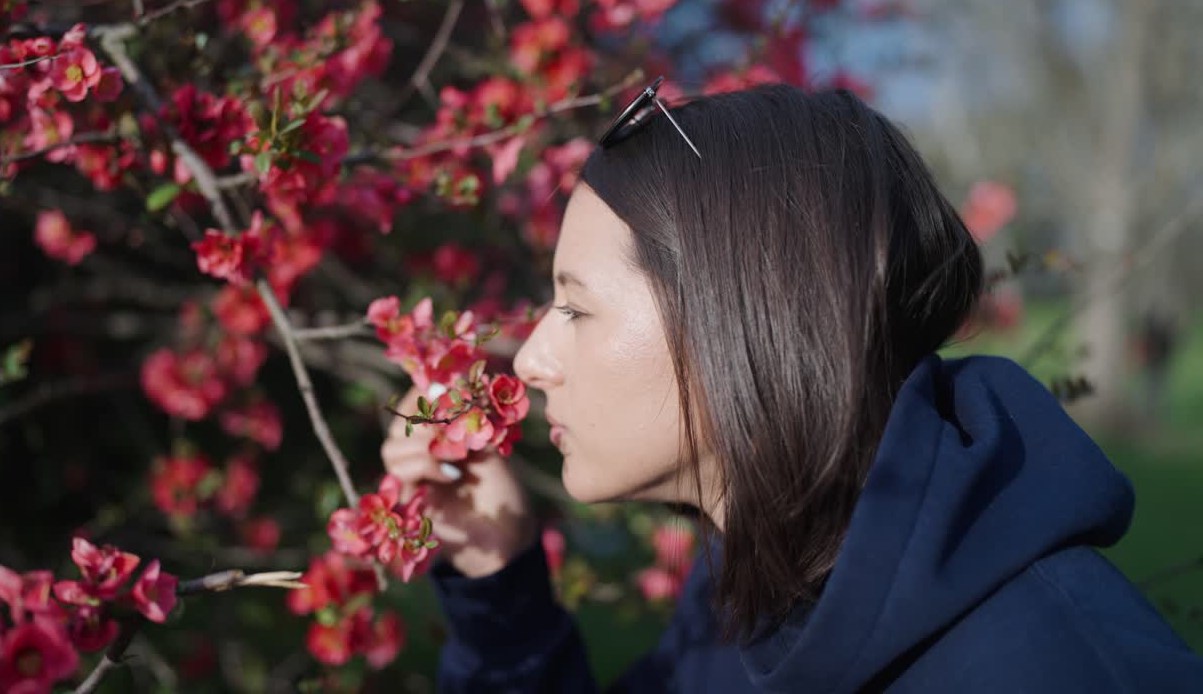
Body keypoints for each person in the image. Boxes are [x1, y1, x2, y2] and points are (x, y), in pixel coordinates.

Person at [380, 83, 1203, 693]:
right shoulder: (750, 584)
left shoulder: (1063, 671)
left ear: (743, 315)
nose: (527, 359)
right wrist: (499, 581)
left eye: (575, 307)